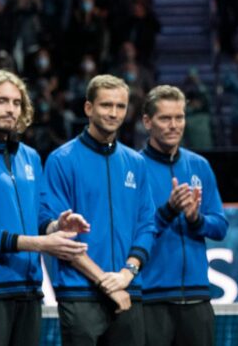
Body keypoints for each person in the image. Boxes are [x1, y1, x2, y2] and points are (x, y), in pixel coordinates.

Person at [0, 70, 90, 346]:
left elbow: (41, 218)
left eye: (16, 102)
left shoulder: (31, 157)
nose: (10, 109)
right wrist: (41, 243)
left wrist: (57, 226)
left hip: (29, 292)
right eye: (1, 100)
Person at [40, 75, 156, 346]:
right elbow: (56, 233)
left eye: (120, 106)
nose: (113, 113)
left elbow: (146, 225)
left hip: (128, 289)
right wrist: (106, 281)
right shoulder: (61, 160)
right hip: (80, 294)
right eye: (106, 105)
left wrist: (127, 273)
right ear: (88, 108)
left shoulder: (136, 163)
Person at [140, 85, 228, 346]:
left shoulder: (199, 165)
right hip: (150, 299)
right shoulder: (133, 166)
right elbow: (132, 232)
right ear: (147, 121)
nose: (174, 125)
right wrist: (168, 211)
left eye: (179, 117)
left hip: (197, 298)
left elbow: (220, 227)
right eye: (165, 118)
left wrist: (195, 219)